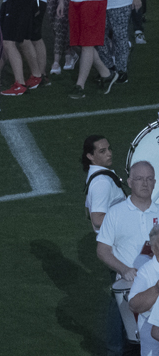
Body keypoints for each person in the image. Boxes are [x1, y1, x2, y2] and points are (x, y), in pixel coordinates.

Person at [98, 161, 159, 353]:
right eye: (139, 179)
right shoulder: (116, 213)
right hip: (127, 289)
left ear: (155, 182)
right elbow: (103, 250)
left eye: (149, 179)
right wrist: (124, 269)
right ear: (130, 182)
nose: (145, 183)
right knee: (120, 346)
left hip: (156, 289)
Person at [83, 135, 125, 233]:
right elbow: (97, 220)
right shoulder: (102, 182)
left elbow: (88, 213)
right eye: (102, 151)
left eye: (109, 149)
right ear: (90, 156)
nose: (109, 154)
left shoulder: (94, 175)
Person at [129, 226, 159, 356]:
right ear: (153, 248)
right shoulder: (146, 271)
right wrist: (156, 289)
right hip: (150, 328)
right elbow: (133, 304)